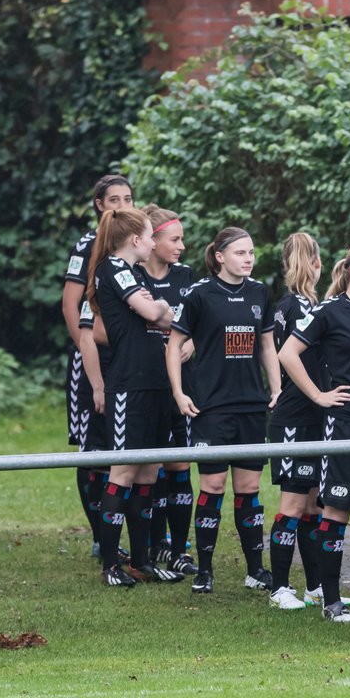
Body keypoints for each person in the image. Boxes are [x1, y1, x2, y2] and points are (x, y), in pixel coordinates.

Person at [166, 228, 285, 601]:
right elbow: (174, 346)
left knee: (249, 490)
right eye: (239, 252)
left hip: (251, 406)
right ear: (219, 256)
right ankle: (204, 570)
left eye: (251, 252)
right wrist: (179, 392)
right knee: (213, 487)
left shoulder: (260, 293)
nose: (248, 259)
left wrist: (277, 387)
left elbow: (267, 345)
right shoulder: (199, 294)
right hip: (211, 407)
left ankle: (254, 570)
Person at [279, 241, 350, 623]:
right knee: (336, 513)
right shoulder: (327, 312)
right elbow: (287, 354)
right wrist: (318, 395)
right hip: (344, 427)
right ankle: (331, 601)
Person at [85, 207, 185, 586]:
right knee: (124, 470)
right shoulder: (115, 267)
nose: (152, 242)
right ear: (136, 240)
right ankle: (110, 565)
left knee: (148, 470)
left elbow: (163, 317)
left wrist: (158, 310)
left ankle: (141, 561)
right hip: (129, 383)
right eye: (149, 235)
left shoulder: (137, 273)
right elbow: (154, 312)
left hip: (156, 381)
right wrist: (157, 307)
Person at [62, 174, 134, 558]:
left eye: (127, 198)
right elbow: (70, 305)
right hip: (94, 359)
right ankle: (98, 536)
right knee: (94, 450)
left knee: (131, 449)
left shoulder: (138, 242)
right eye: (113, 200)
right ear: (99, 205)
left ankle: (142, 535)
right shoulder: (89, 245)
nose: (121, 206)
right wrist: (87, 349)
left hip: (130, 359)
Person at [267, 232, 328, 609]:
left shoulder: (290, 304)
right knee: (292, 506)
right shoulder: (300, 308)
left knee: (313, 507)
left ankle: (315, 585)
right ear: (316, 265)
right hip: (296, 416)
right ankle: (278, 588)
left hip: (313, 415)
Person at [138, 204, 198, 576]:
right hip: (144, 383)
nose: (182, 246)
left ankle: (178, 548)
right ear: (153, 239)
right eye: (175, 239)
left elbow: (201, 323)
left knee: (179, 464)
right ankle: (151, 544)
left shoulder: (187, 277)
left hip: (181, 386)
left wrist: (191, 343)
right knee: (148, 468)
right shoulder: (130, 275)